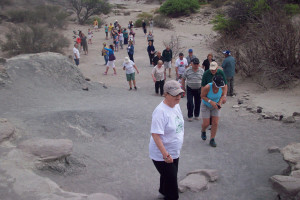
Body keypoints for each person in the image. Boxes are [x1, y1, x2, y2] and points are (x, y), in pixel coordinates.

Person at [149, 80, 184, 200]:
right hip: (162, 154)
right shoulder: (160, 112)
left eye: (180, 94)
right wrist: (165, 155)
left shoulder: (176, 105)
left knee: (168, 177)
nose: (178, 97)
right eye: (175, 95)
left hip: (174, 151)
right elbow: (155, 135)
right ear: (166, 94)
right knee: (172, 184)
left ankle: (163, 191)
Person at [200, 75, 226, 147]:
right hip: (206, 105)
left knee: (215, 123)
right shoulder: (208, 87)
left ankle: (212, 139)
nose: (219, 87)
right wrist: (211, 102)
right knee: (206, 123)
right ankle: (203, 130)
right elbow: (202, 96)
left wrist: (220, 102)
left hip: (216, 105)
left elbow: (222, 95)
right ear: (213, 82)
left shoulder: (222, 86)